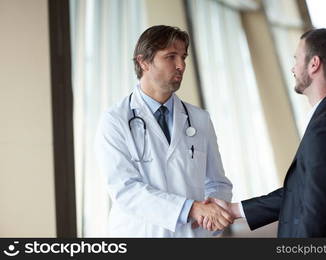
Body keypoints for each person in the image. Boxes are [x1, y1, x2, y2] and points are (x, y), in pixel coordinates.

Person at [200, 28, 326, 237]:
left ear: (314, 64)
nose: (293, 68)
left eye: (296, 59)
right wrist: (234, 209)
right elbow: (302, 193)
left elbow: (316, 213)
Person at [95, 25, 233, 237]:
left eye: (183, 57)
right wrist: (191, 209)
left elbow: (217, 182)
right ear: (143, 62)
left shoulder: (199, 119)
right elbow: (125, 189)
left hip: (192, 235)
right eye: (171, 57)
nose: (181, 65)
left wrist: (213, 211)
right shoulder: (115, 120)